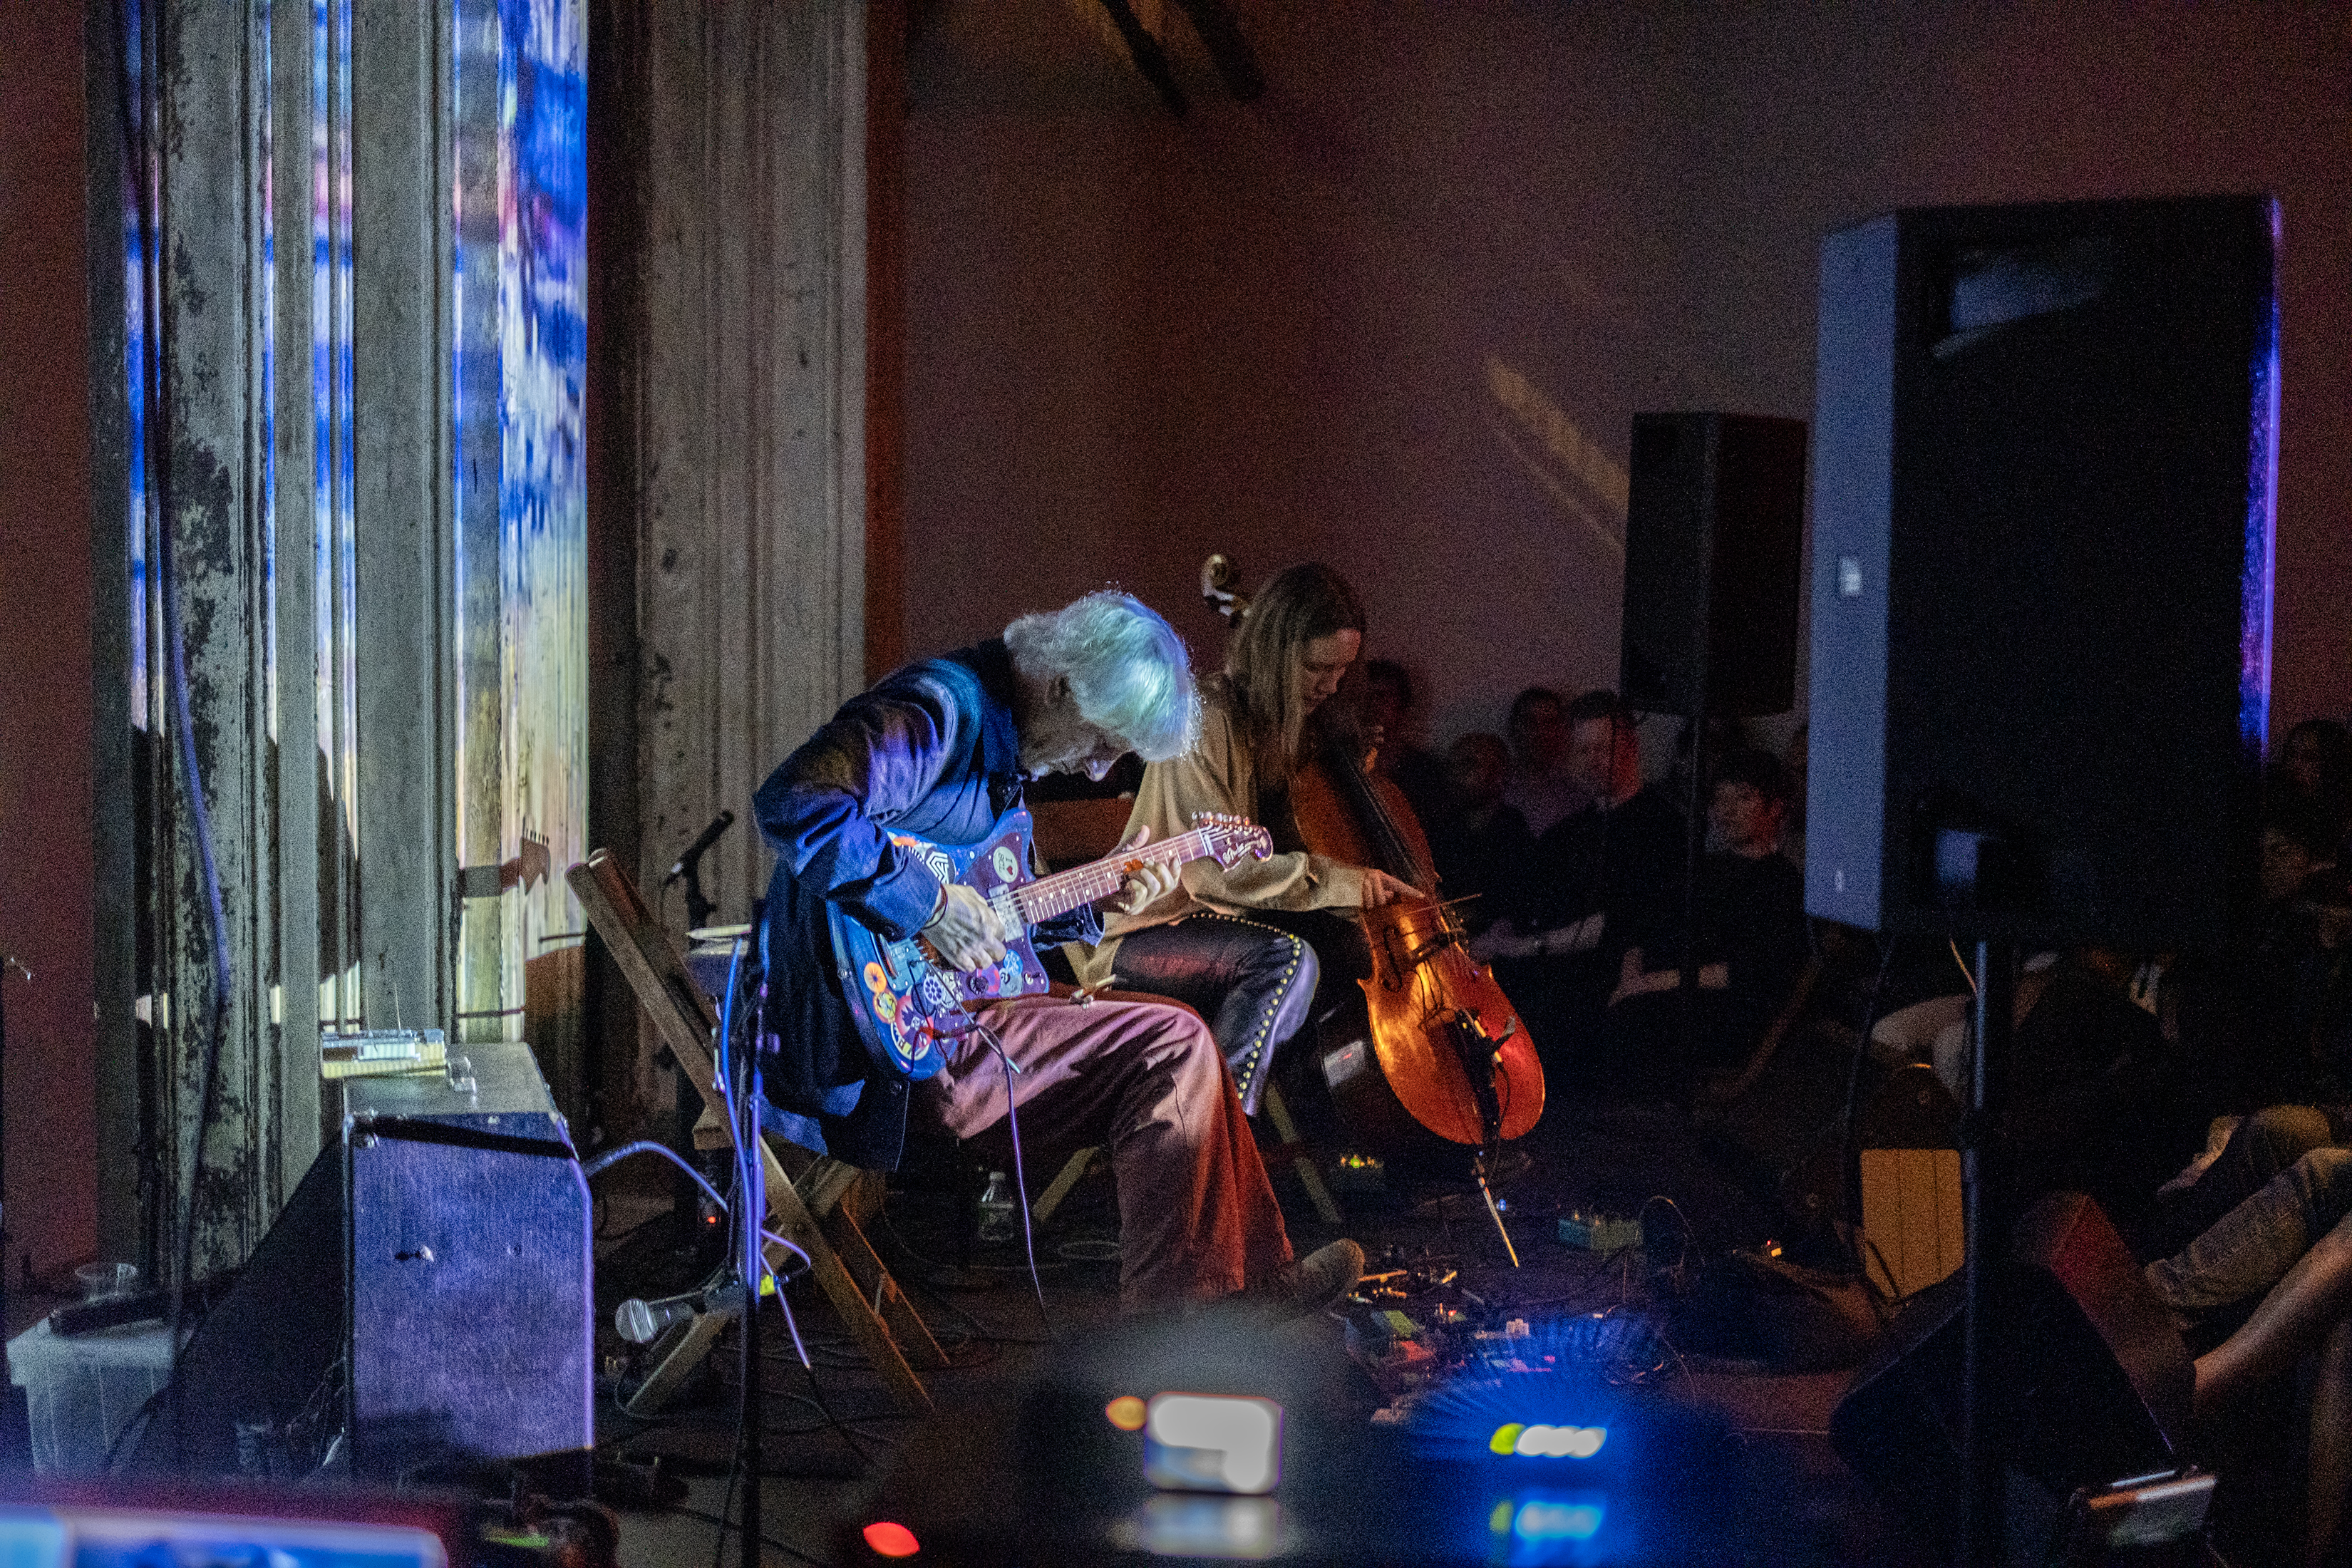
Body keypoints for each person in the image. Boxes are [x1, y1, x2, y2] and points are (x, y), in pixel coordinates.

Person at [751, 589, 1361, 1317]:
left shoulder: (1000, 749)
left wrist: (1091, 902)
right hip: (869, 1040)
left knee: (1181, 1040)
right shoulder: (940, 713)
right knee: (1170, 1043)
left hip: (944, 1018)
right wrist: (934, 906)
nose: (1100, 770)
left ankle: (1251, 1284)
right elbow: (798, 800)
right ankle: (1182, 1323)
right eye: (1105, 743)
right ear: (1065, 684)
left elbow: (991, 913)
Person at [1071, 564, 1419, 1113]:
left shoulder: (1284, 730)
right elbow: (1214, 873)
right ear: (1276, 654)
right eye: (1316, 668)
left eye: (1342, 671)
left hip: (1219, 931)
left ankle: (1260, 1111)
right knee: (1284, 960)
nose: (1331, 686)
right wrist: (1339, 880)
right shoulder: (1205, 720)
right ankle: (1212, 1129)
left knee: (1349, 952)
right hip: (1147, 934)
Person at [1470, 689, 1686, 1082]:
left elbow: (1622, 924)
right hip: (1545, 968)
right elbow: (1525, 899)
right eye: (1582, 750)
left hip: (1599, 978)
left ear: (1630, 746)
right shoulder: (1570, 832)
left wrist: (1526, 946)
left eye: (1600, 749)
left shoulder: (1663, 829)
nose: (1590, 761)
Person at [1597, 748, 1809, 1102]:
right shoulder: (1702, 868)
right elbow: (1645, 923)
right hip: (1664, 983)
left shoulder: (1783, 884)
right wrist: (1631, 971)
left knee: (1638, 1020)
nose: (1727, 812)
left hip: (1722, 1003)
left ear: (1775, 808)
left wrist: (1652, 983)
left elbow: (1751, 971)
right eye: (1720, 800)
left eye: (1743, 799)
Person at [1426, 732, 1533, 939]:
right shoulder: (1441, 829)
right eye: (1452, 766)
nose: (1456, 775)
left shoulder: (1513, 834)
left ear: (1500, 774)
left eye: (1468, 765)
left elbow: (1508, 908)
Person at [1363, 657, 1450, 832]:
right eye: (1366, 696)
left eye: (1382, 696)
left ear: (1403, 708)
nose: (1372, 704)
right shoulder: (1340, 757)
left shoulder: (1426, 772)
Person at [1500, 686, 1584, 837]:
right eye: (1529, 722)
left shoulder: (1577, 793)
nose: (1539, 732)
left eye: (1548, 723)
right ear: (1513, 729)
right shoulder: (1496, 785)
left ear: (1561, 730)